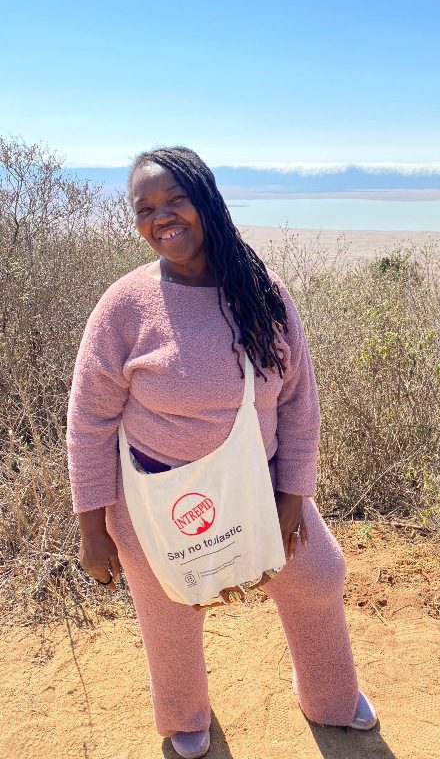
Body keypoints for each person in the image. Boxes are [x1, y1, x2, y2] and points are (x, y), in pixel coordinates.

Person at [66, 146, 377, 759]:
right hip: (156, 498)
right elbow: (89, 421)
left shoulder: (261, 292)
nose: (162, 217)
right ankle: (184, 716)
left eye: (174, 199)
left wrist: (292, 497)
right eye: (145, 208)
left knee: (317, 577)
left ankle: (331, 697)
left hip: (258, 486)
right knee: (171, 611)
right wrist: (93, 527)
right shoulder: (125, 307)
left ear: (206, 198)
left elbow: (298, 403)